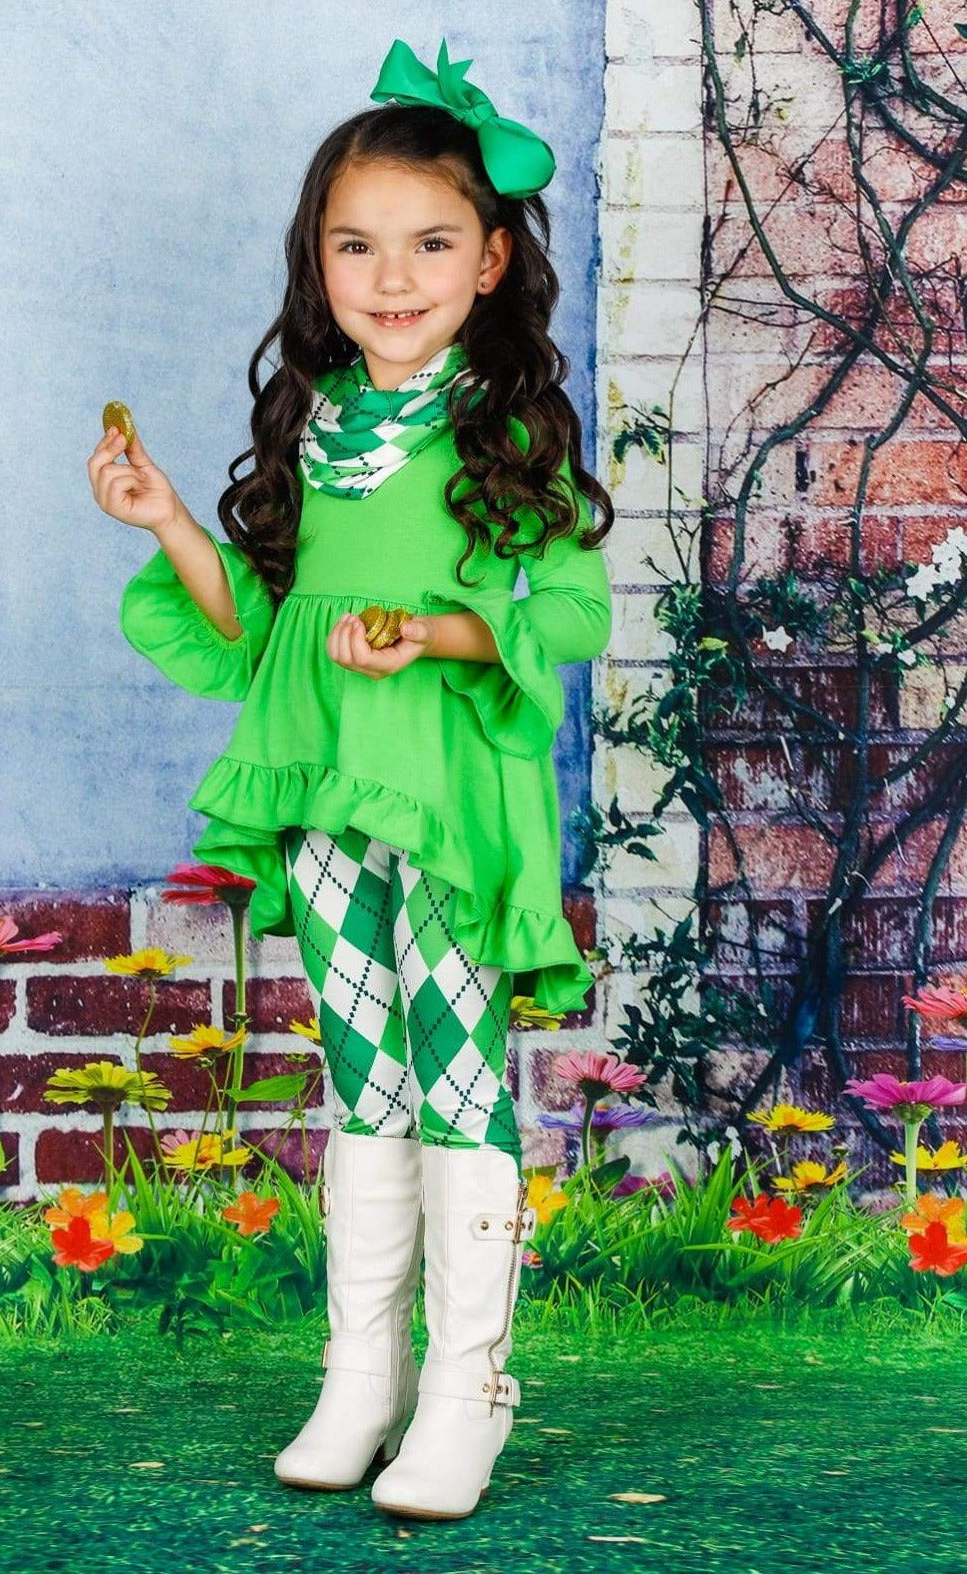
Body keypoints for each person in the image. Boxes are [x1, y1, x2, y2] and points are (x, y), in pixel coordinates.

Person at [87, 36, 614, 1521]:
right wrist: (169, 519)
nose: (392, 277)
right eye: (356, 245)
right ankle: (359, 1377)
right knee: (362, 1070)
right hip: (323, 784)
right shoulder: (316, 425)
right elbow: (262, 631)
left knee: (457, 1071)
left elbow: (575, 615)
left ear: (492, 261)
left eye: (432, 244)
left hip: (444, 796)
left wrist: (439, 631)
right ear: (316, 262)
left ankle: (467, 1391)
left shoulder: (505, 425)